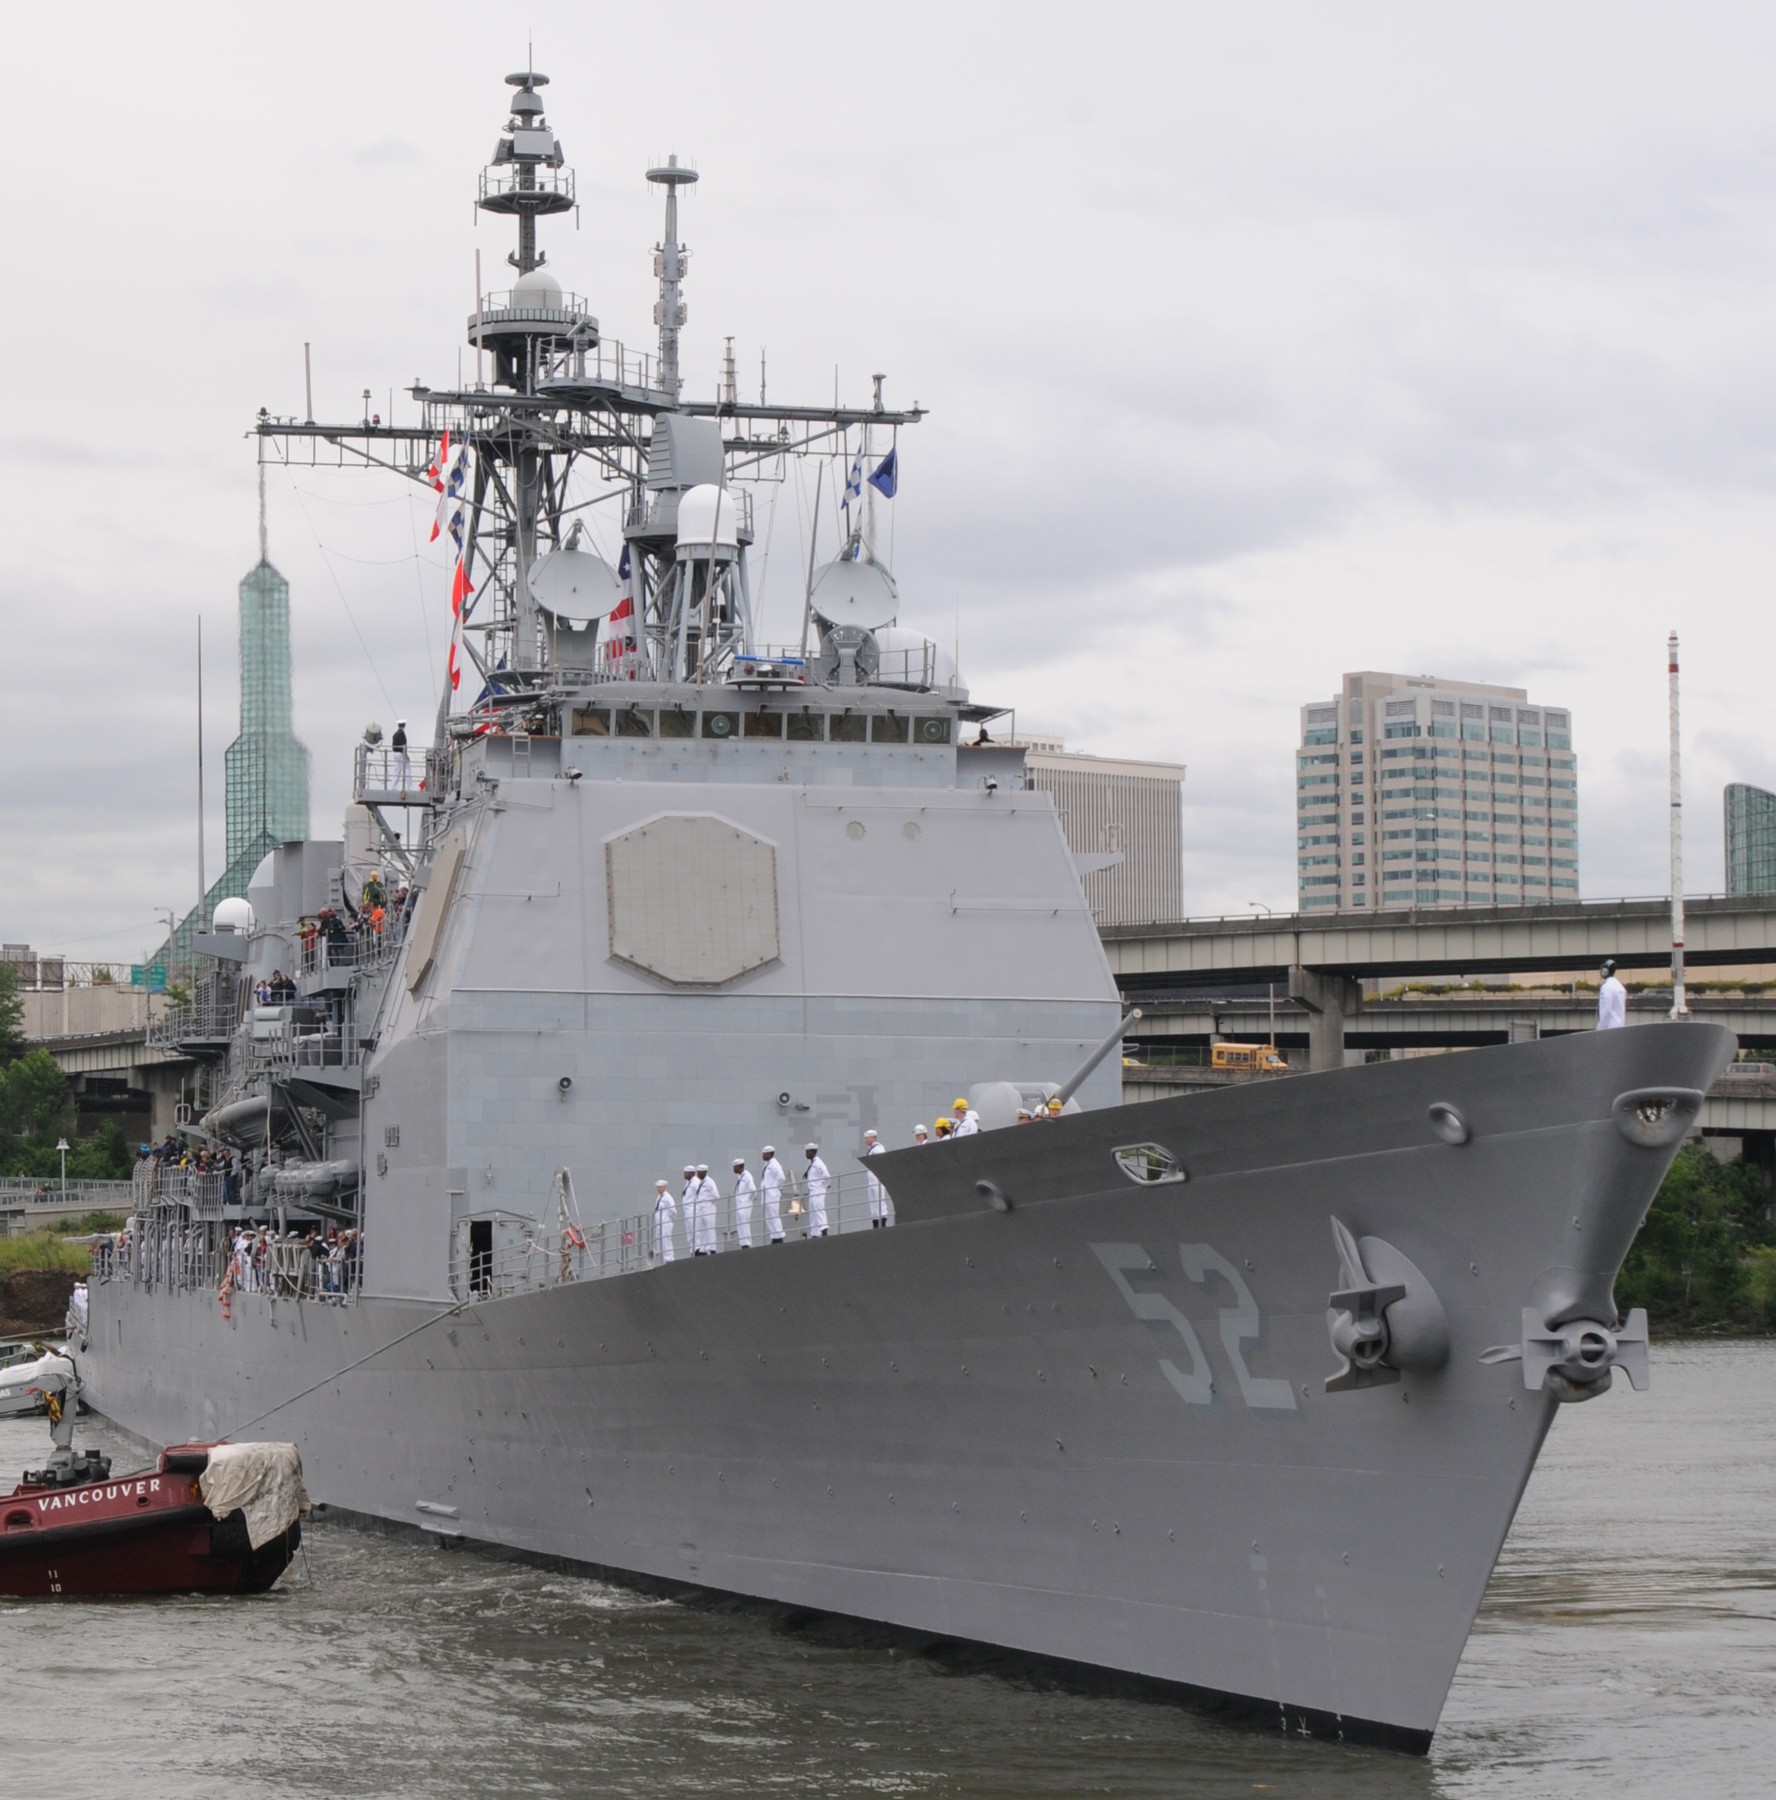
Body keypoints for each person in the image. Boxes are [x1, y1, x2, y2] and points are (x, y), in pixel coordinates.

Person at [862, 1129, 892, 1228]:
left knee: (879, 1199)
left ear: (873, 1138)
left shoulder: (878, 1148)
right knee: (873, 1201)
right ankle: (875, 1220)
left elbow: (881, 1162)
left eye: (867, 1138)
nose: (865, 1140)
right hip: (871, 1179)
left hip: (877, 1178)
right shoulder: (872, 1149)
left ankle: (883, 1221)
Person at [802, 1143, 831, 1237]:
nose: (806, 1153)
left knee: (819, 1209)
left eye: (807, 1152)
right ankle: (815, 1232)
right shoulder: (812, 1163)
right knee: (813, 1211)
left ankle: (824, 1229)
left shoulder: (818, 1163)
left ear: (812, 1152)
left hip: (818, 1190)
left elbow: (826, 1176)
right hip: (813, 1190)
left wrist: (823, 1185)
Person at [759, 1146, 786, 1243]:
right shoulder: (767, 1165)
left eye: (764, 1153)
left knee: (774, 1215)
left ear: (769, 1154)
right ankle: (774, 1236)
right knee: (768, 1217)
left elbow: (781, 1178)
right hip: (766, 1196)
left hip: (772, 1195)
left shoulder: (774, 1164)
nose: (762, 1155)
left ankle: (779, 1236)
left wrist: (776, 1188)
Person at [693, 1163, 720, 1255]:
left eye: (699, 1172)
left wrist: (708, 1202)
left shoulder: (709, 1182)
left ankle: (712, 1248)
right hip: (701, 1208)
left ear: (704, 1172)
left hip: (708, 1208)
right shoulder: (701, 1182)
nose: (697, 1174)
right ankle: (703, 1248)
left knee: (710, 1228)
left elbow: (716, 1195)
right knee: (702, 1229)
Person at [731, 1157, 757, 1248]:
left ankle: (747, 1243)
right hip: (740, 1205)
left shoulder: (747, 1176)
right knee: (740, 1224)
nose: (733, 1169)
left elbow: (753, 1189)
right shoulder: (740, 1177)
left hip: (745, 1205)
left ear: (739, 1167)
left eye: (735, 1167)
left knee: (744, 1224)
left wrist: (750, 1200)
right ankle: (742, 1242)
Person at [1597, 958, 1627, 1030]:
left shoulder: (1607, 987)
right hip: (1620, 1026)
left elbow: (1606, 1010)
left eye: (1601, 968)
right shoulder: (1619, 986)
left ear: (1605, 971)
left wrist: (1600, 1027)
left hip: (1610, 1028)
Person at [652, 1179, 677, 1263]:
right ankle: (662, 1260)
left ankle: (669, 1259)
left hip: (665, 1223)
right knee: (659, 1242)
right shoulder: (659, 1197)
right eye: (657, 1187)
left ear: (664, 1187)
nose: (658, 1189)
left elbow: (673, 1210)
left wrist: (667, 1218)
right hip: (659, 1224)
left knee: (666, 1241)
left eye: (660, 1187)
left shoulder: (667, 1197)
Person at [679, 1165, 702, 1253]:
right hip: (687, 1210)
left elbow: (700, 1194)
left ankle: (698, 1248)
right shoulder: (688, 1182)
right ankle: (692, 1249)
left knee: (695, 1229)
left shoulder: (696, 1182)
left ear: (692, 1173)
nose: (684, 1175)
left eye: (686, 1173)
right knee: (689, 1231)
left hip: (693, 1209)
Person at [391, 718, 411, 791]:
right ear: (404, 725)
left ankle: (393, 787)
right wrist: (406, 755)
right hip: (401, 754)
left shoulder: (395, 734)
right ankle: (408, 787)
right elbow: (404, 745)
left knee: (396, 771)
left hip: (396, 754)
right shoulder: (401, 734)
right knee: (407, 770)